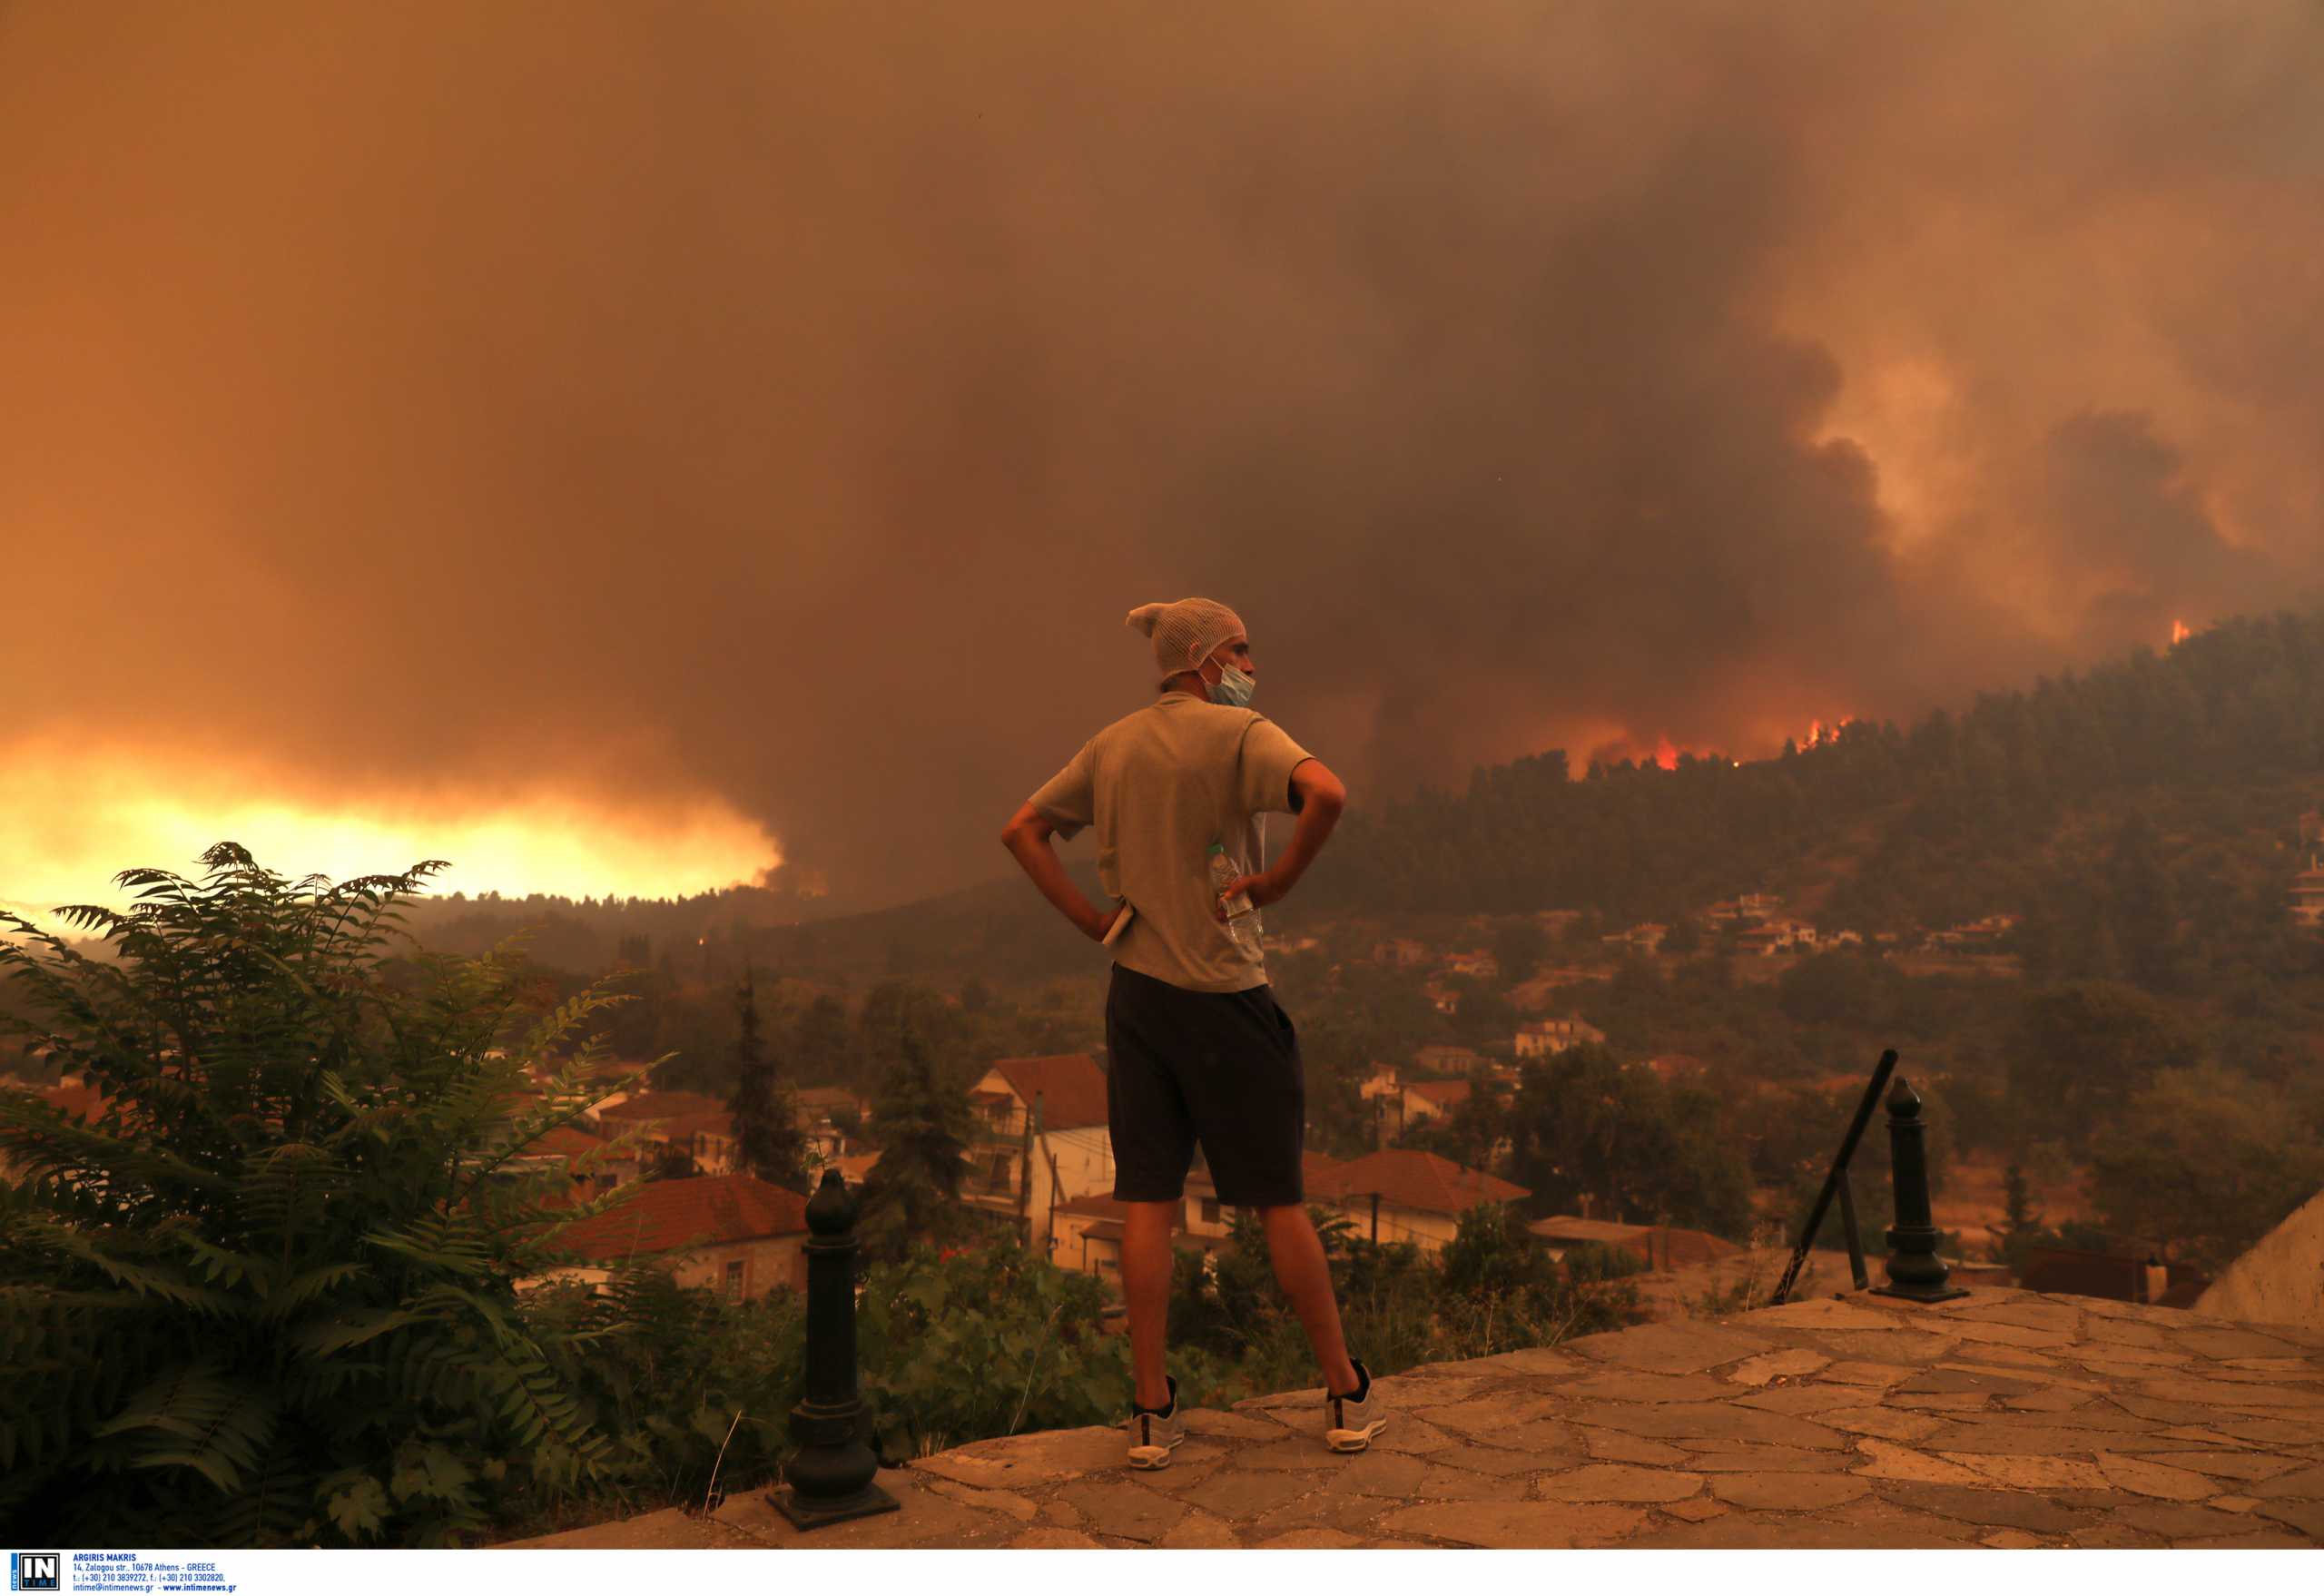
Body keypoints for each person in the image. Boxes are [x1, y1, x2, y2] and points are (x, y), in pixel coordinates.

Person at [1000, 596, 1384, 1469]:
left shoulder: (1113, 744)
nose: (1253, 666)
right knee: (1278, 1201)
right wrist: (1278, 880)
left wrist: (1090, 920)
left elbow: (1021, 830)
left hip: (1137, 995)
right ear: (1206, 660)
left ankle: (1149, 1412)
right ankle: (1344, 1393)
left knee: (1147, 1203)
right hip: (1226, 997)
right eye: (1243, 649)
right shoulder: (1241, 736)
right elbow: (1326, 791)